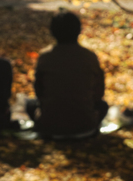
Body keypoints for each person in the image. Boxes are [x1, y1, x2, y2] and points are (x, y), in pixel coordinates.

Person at [30, 10, 108, 139]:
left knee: (30, 104)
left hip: (49, 126)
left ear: (53, 32)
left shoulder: (45, 57)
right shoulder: (89, 57)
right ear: (78, 31)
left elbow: (39, 91)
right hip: (85, 125)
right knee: (103, 106)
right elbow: (99, 92)